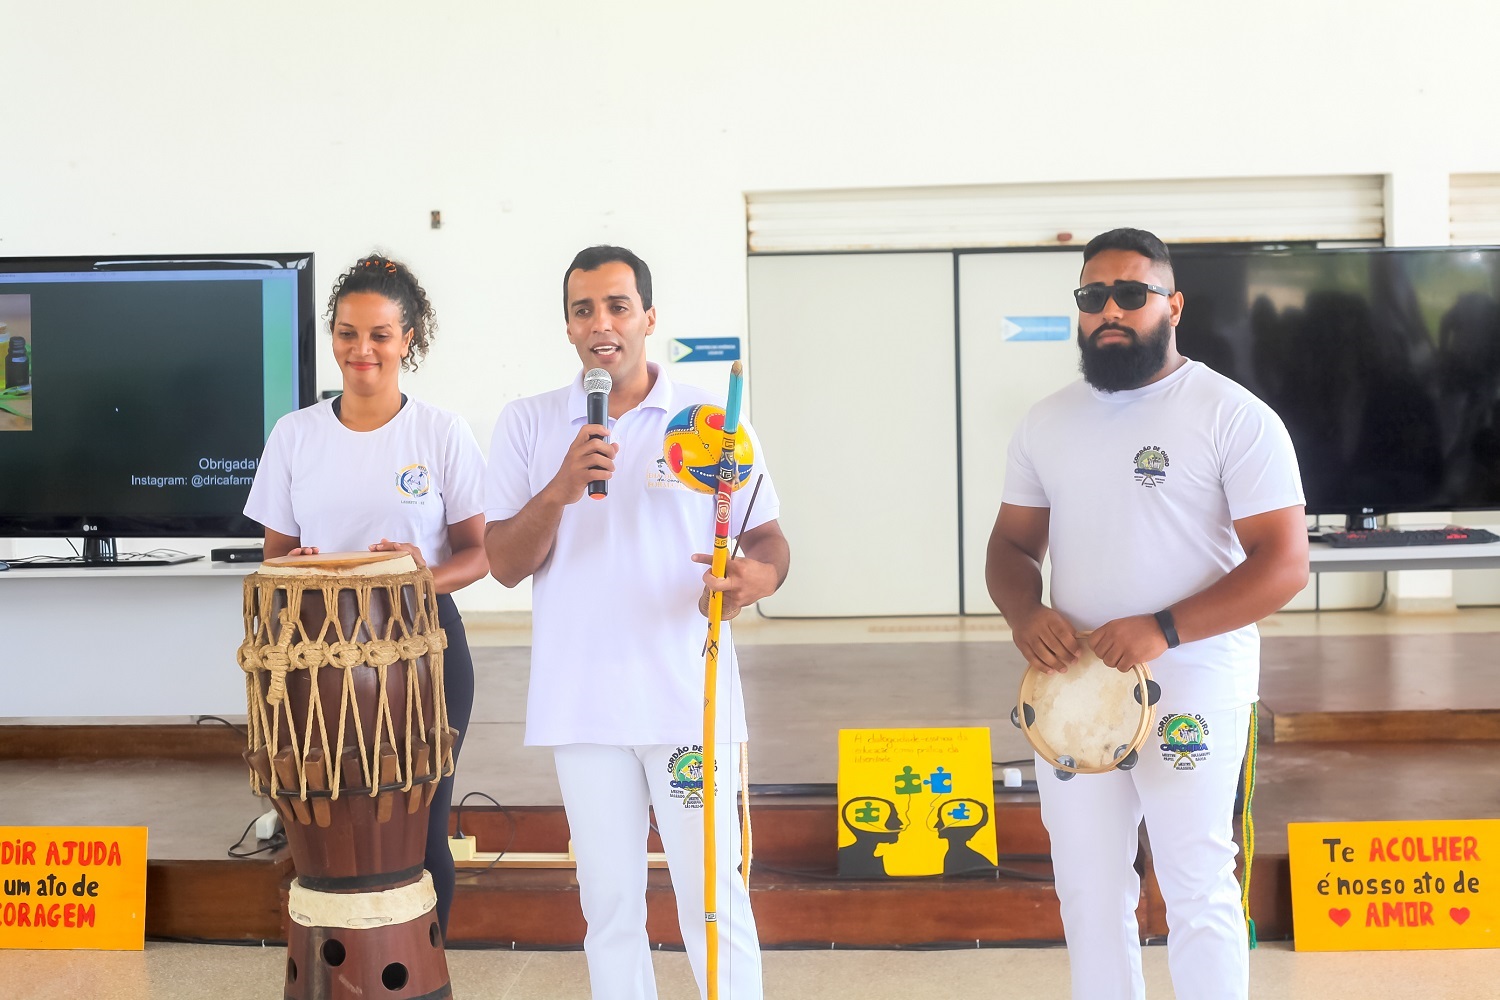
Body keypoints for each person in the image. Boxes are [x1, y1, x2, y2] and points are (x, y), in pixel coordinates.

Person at [985, 228, 1308, 1000]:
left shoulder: (1232, 415)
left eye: (1131, 294)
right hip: (1074, 693)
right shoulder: (1047, 421)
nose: (1110, 312)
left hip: (1193, 684)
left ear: (1173, 305)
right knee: (1089, 889)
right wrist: (1025, 612)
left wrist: (1161, 629)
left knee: (1196, 884)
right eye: (1093, 296)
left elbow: (1285, 563)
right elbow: (1011, 545)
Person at [483, 245, 789, 1000]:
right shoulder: (529, 425)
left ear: (649, 318)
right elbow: (503, 562)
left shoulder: (707, 423)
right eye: (584, 309)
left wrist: (760, 578)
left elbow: (769, 538)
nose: (602, 323)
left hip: (690, 702)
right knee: (609, 908)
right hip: (582, 708)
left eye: (618, 306)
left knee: (713, 903)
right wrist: (559, 488)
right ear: (567, 327)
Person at [243, 253, 487, 938]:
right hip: (315, 656)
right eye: (347, 333)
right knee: (328, 832)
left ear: (408, 339)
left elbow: (481, 554)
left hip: (423, 645)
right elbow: (273, 560)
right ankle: (339, 970)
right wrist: (301, 567)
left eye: (379, 334)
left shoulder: (440, 432)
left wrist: (415, 577)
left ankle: (423, 972)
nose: (362, 350)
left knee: (422, 825)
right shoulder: (295, 435)